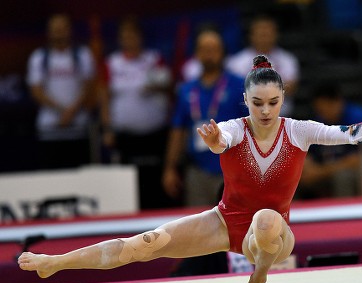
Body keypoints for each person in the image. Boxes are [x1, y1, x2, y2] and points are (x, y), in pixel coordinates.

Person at [17, 55, 362, 283]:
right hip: (225, 221)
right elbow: (221, 141)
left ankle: (256, 282)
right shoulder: (235, 127)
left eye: (274, 102)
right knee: (142, 245)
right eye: (257, 102)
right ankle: (57, 262)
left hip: (275, 230)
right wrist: (213, 140)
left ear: (283, 99)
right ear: (245, 100)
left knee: (265, 219)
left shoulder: (296, 130)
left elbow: (355, 133)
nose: (265, 110)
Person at [162, 28, 246, 206]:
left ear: (222, 52)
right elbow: (178, 129)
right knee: (198, 225)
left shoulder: (239, 85)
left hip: (232, 168)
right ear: (197, 54)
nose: (209, 54)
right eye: (204, 49)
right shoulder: (186, 89)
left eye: (214, 49)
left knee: (233, 222)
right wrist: (170, 167)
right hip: (197, 170)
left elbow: (251, 127)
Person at [100, 17, 173, 209]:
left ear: (140, 37)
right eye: (125, 36)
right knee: (128, 183)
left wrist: (156, 86)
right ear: (120, 39)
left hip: (154, 133)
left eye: (133, 35)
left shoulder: (153, 59)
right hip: (126, 136)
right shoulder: (113, 63)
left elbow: (169, 86)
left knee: (154, 181)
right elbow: (104, 97)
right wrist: (107, 128)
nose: (129, 39)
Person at [298, 82, 362, 198]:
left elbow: (356, 161)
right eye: (319, 111)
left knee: (343, 177)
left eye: (324, 110)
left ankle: (344, 214)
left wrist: (319, 172)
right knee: (295, 176)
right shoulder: (320, 120)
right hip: (332, 170)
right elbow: (310, 153)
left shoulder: (357, 118)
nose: (322, 114)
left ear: (337, 102)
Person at [27, 13, 96, 170]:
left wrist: (72, 110)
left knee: (80, 176)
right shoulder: (39, 58)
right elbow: (36, 90)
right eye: (55, 29)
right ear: (49, 32)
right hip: (50, 128)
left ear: (69, 30)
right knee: (52, 178)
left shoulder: (82, 55)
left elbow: (89, 86)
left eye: (62, 28)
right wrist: (61, 111)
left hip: (78, 127)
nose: (59, 33)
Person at [226, 15, 300, 116]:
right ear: (251, 36)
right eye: (261, 34)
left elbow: (291, 87)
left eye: (268, 34)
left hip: (281, 117)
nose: (264, 38)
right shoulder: (237, 62)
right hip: (247, 117)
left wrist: (256, 91)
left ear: (276, 35)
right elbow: (235, 90)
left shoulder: (287, 60)